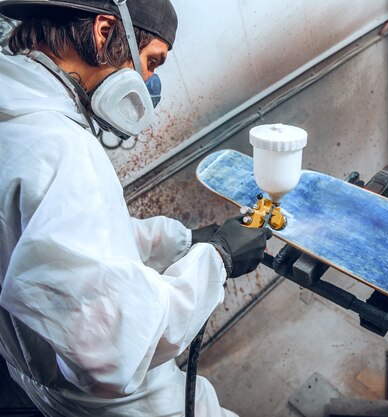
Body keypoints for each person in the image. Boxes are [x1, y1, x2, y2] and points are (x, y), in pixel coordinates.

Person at [0, 1, 272, 416]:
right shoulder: (62, 151)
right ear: (105, 32)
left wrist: (180, 242)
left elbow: (68, 242)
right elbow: (113, 344)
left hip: (31, 379)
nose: (148, 83)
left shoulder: (19, 121)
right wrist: (215, 261)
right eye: (151, 62)